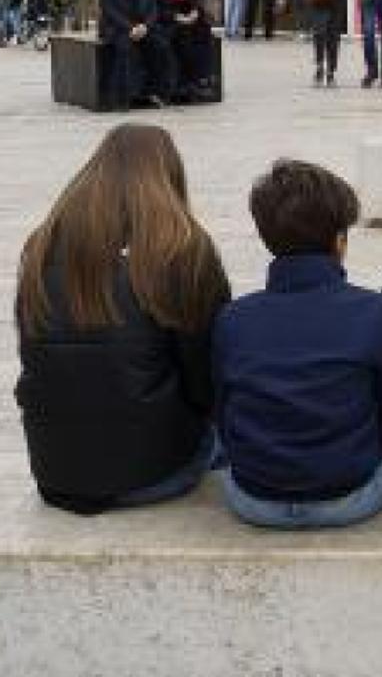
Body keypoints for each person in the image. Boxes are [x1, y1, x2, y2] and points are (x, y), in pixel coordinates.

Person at [15, 123, 232, 514]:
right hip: (154, 473)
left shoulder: (40, 246)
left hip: (56, 472)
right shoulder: (182, 251)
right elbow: (208, 377)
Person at [214, 160, 382, 529]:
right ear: (339, 241)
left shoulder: (233, 319)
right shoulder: (374, 311)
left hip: (255, 499)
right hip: (350, 497)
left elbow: (222, 413)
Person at [100, 0, 174, 109]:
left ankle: (158, 92)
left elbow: (152, 8)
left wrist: (146, 26)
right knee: (125, 47)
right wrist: (130, 28)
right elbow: (109, 10)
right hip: (117, 27)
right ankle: (122, 96)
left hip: (143, 26)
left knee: (161, 45)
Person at [155, 0, 216, 102]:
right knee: (182, 36)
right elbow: (155, 8)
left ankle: (201, 78)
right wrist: (177, 17)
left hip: (186, 18)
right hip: (166, 20)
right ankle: (187, 83)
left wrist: (194, 11)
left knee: (202, 31)